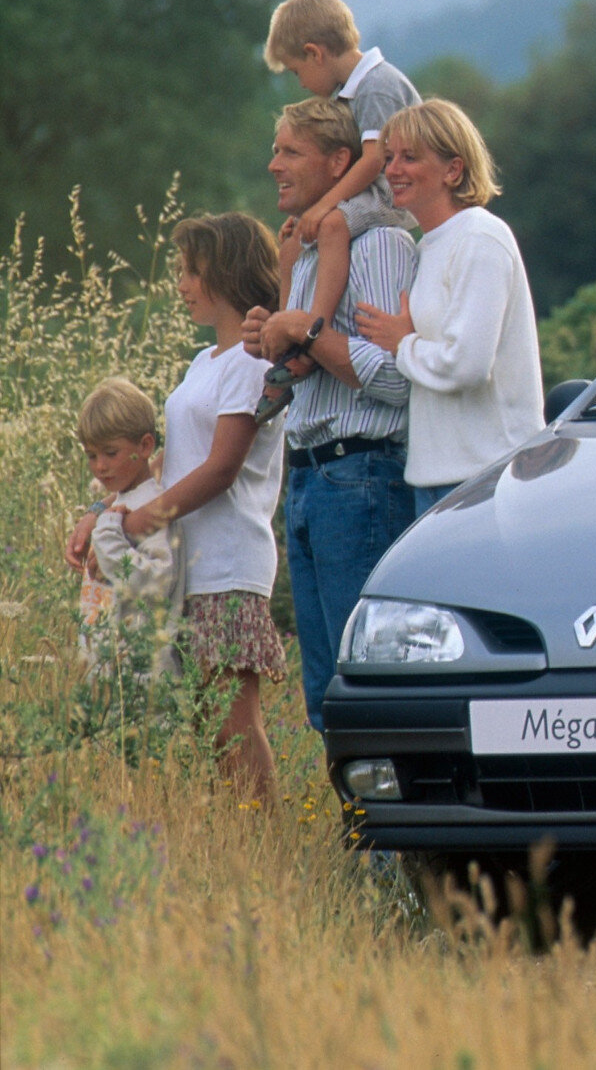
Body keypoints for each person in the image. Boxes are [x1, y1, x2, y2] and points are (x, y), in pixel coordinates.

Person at [66, 216, 289, 797]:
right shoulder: (203, 363)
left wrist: (142, 521)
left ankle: (263, 841)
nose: (182, 284)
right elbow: (174, 460)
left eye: (193, 271)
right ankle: (239, 843)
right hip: (190, 567)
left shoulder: (248, 360)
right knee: (206, 723)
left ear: (226, 273)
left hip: (227, 562)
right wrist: (103, 511)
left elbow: (221, 467)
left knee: (234, 726)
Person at [242, 98, 418, 733]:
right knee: (324, 692)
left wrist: (307, 332)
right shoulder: (310, 253)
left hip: (361, 474)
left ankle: (390, 831)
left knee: (365, 679)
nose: (274, 165)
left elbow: (400, 377)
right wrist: (273, 333)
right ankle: (359, 831)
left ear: (340, 161)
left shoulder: (381, 245)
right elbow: (308, 356)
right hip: (313, 478)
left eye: (290, 151)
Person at [356, 100, 542, 515]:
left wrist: (403, 344)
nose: (392, 170)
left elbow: (468, 364)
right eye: (389, 158)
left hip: (487, 478)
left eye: (409, 157)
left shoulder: (481, 237)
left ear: (453, 170)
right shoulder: (427, 246)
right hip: (433, 480)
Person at [258, 0, 421, 422]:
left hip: (389, 195)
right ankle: (290, 334)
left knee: (328, 227)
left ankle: (314, 333)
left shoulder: (378, 85)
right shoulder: (351, 92)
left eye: (297, 71)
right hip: (372, 192)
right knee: (296, 240)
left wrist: (323, 205)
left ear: (314, 54)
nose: (300, 83)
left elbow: (373, 161)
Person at [72, 377, 177, 676]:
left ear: (145, 446)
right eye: (91, 455)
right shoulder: (117, 504)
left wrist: (106, 531)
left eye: (110, 453)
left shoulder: (151, 506)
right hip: (104, 667)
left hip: (141, 675)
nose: (100, 466)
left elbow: (158, 582)